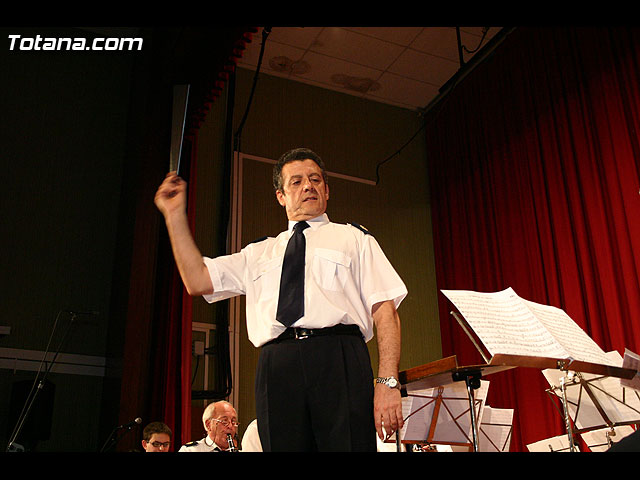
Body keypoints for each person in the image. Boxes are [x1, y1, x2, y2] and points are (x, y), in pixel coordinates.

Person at [155, 147, 407, 452]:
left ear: (327, 191)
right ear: (281, 196)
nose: (308, 186)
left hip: (340, 358)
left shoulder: (354, 238)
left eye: (315, 180)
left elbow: (385, 311)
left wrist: (387, 382)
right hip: (277, 366)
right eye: (296, 182)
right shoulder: (258, 253)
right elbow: (197, 279)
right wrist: (174, 215)